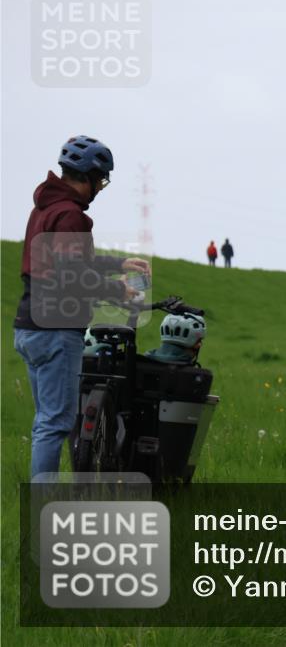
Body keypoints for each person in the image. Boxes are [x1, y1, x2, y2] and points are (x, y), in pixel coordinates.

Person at [13, 135, 150, 479]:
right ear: (88, 175)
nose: (100, 188)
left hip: (29, 326)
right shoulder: (71, 215)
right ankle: (43, 508)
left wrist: (119, 264)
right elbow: (72, 274)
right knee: (55, 423)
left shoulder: (44, 209)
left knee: (45, 420)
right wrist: (117, 290)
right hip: (56, 330)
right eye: (100, 179)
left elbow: (66, 261)